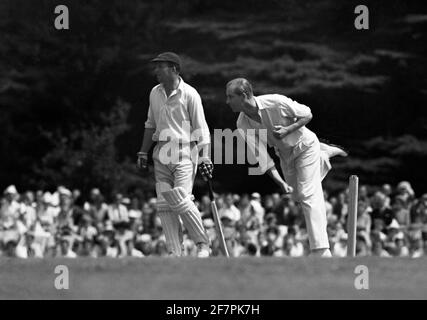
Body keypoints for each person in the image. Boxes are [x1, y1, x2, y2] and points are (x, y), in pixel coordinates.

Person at [225, 78, 347, 257]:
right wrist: (280, 182)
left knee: (308, 194)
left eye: (230, 97)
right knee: (297, 196)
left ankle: (321, 250)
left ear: (244, 96)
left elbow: (307, 114)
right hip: (285, 155)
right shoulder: (241, 124)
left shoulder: (275, 102)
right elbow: (263, 157)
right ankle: (323, 154)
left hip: (305, 146)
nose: (227, 101)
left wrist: (288, 130)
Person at [136, 52, 212, 257]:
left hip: (184, 150)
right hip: (160, 151)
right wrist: (143, 151)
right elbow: (150, 125)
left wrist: (205, 157)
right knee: (163, 204)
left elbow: (201, 130)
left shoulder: (189, 94)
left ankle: (203, 243)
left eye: (160, 67)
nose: (156, 71)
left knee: (181, 198)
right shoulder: (154, 92)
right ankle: (174, 250)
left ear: (174, 70)